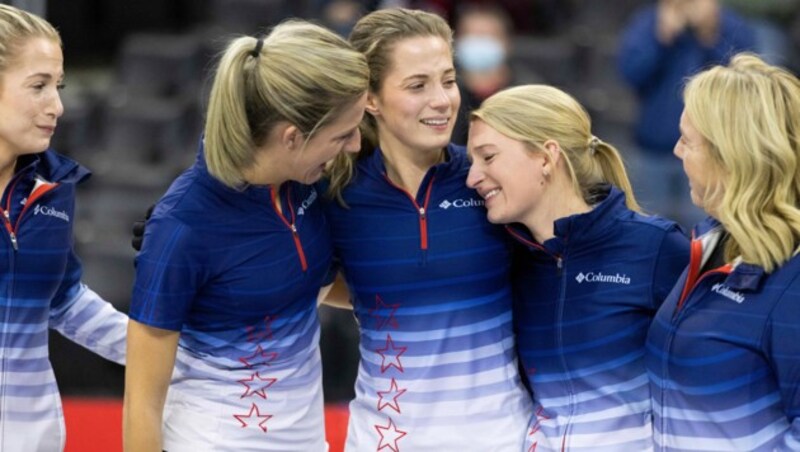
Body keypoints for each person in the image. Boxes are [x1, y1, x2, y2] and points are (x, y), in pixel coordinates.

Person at [122, 21, 368, 451]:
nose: (354, 146)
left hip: (306, 439)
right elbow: (141, 404)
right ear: (292, 137)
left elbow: (306, 285)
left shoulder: (303, 182)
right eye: (343, 134)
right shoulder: (181, 228)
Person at [323, 8, 532, 450]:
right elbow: (319, 282)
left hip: (500, 439)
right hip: (383, 440)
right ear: (371, 99)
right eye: (418, 85)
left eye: (449, 80)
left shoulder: (491, 179)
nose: (442, 100)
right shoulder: (338, 195)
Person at [466, 84, 689, 451]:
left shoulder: (657, 248)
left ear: (545, 156)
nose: (472, 177)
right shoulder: (509, 260)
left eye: (487, 157)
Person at [646, 53, 800, 451]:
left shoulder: (793, 281)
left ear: (731, 156)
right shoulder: (709, 242)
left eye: (687, 141)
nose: (678, 152)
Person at [0, 5, 128, 452]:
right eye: (38, 86)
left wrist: (161, 351)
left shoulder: (50, 190)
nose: (57, 105)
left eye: (59, 86)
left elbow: (63, 300)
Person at [618, 0, 754, 230]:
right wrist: (661, 39)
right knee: (649, 233)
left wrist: (710, 36)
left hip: (713, 156)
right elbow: (630, 73)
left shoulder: (730, 24)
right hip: (653, 152)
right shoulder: (648, 23)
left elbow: (745, 85)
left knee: (709, 234)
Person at [450, 3, 541, 146]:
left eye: (486, 36)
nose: (478, 44)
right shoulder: (445, 94)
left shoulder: (528, 96)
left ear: (506, 43)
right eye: (471, 36)